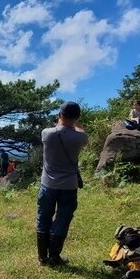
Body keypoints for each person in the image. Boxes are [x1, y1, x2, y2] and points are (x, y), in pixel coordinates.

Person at [37, 101, 89, 267]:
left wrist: (61, 122)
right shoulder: (80, 137)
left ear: (59, 115)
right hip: (69, 185)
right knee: (62, 219)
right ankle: (54, 257)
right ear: (77, 118)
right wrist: (75, 123)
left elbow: (57, 128)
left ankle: (42, 257)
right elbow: (81, 131)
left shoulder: (47, 133)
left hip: (47, 185)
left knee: (44, 216)